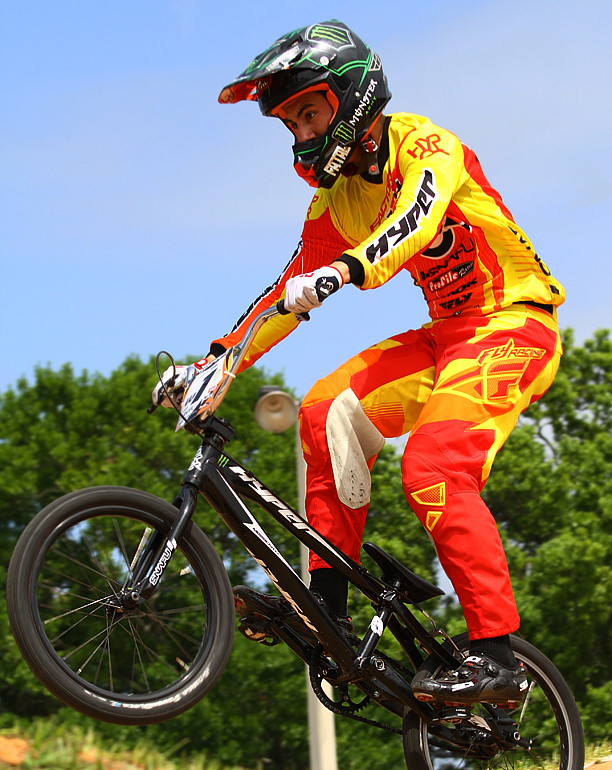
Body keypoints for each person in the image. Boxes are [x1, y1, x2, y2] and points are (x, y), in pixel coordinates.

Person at [155, 21, 564, 707]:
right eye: (290, 124)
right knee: (324, 411)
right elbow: (285, 292)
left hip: (513, 324)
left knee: (432, 467)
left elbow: (416, 221)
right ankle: (328, 609)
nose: (300, 134)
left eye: (308, 114)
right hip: (446, 337)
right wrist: (218, 363)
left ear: (351, 96)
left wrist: (346, 269)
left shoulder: (426, 144)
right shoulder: (336, 199)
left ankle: (497, 654)